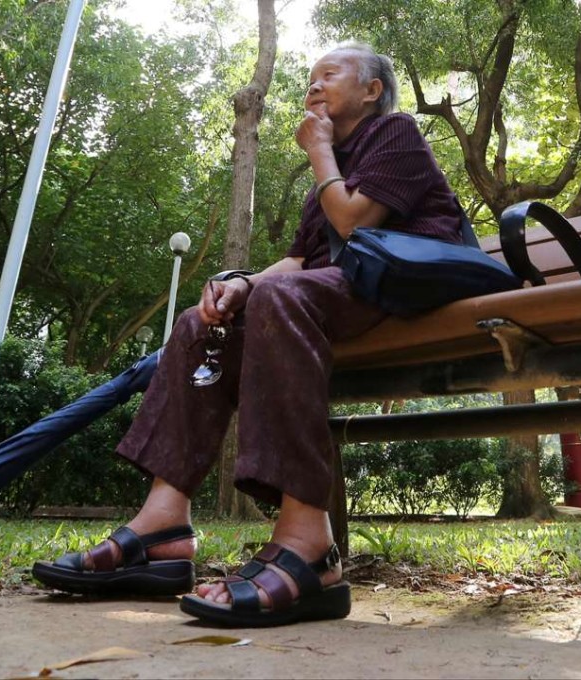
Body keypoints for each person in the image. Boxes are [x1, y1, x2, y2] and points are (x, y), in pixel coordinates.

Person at [32, 43, 464, 628]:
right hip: (332, 300)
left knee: (280, 298)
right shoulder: (329, 170)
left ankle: (310, 543)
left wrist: (316, 152)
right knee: (198, 322)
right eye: (309, 78)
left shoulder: (396, 133)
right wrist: (239, 284)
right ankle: (163, 528)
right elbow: (298, 262)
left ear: (372, 91)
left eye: (330, 75)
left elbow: (354, 221)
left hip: (409, 295)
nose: (313, 86)